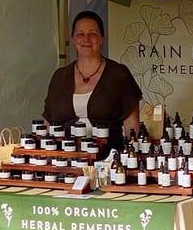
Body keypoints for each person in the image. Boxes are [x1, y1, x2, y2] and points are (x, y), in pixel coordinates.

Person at [43, 10, 141, 154]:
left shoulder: (119, 75)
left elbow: (131, 125)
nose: (86, 39)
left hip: (108, 161)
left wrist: (132, 158)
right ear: (73, 39)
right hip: (64, 161)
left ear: (102, 39)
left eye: (92, 34)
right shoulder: (59, 77)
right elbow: (47, 122)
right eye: (80, 34)